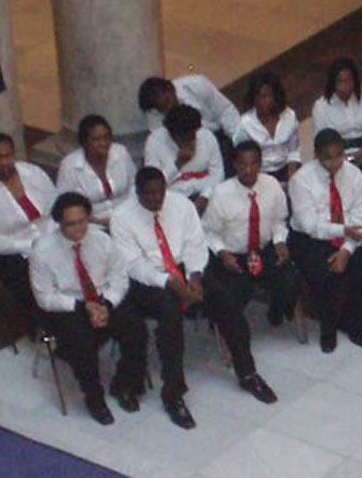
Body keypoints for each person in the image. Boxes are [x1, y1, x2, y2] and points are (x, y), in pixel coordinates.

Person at [111, 168, 278, 430]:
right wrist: (172, 283)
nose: (156, 198)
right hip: (150, 279)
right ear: (138, 192)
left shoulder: (181, 205)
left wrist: (195, 277)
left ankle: (247, 372)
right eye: (149, 194)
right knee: (170, 320)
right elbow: (134, 265)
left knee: (227, 303)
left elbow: (195, 244)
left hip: (187, 271)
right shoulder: (122, 217)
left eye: (160, 191)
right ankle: (173, 394)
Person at [30, 193, 147, 426]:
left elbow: (119, 277)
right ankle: (94, 397)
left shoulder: (102, 240)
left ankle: (125, 384)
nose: (79, 229)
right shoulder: (42, 252)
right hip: (67, 306)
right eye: (71, 224)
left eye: (83, 221)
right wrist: (82, 307)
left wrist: (106, 304)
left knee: (136, 329)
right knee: (82, 344)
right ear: (59, 224)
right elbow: (45, 297)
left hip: (103, 298)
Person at [288, 129, 362, 353]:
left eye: (339, 156)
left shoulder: (354, 174)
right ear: (316, 154)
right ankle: (328, 327)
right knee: (323, 274)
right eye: (328, 157)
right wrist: (343, 229)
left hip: (349, 235)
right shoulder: (300, 181)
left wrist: (346, 249)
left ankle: (353, 323)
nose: (335, 163)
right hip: (312, 238)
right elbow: (310, 225)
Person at [203, 141, 298, 328]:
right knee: (234, 293)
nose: (248, 170)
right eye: (242, 164)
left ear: (260, 164)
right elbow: (208, 232)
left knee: (290, 282)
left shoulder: (271, 185)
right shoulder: (221, 193)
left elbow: (280, 219)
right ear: (234, 165)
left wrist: (280, 242)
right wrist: (222, 254)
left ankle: (276, 311)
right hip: (233, 255)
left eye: (253, 164)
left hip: (263, 249)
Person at [0, 133, 56, 335]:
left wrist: (49, 234)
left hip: (43, 235)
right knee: (27, 276)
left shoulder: (32, 173)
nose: (5, 162)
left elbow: (55, 203)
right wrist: (25, 247)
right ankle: (39, 327)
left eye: (8, 156)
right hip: (2, 250)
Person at [137, 74, 239, 176]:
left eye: (167, 101)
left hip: (218, 136)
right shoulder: (154, 115)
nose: (168, 108)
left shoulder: (197, 84)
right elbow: (163, 140)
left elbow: (225, 111)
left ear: (171, 89)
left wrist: (237, 142)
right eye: (162, 109)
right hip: (183, 145)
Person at [144, 104, 223, 217]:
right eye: (186, 138)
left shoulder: (206, 136)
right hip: (173, 197)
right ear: (173, 134)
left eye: (193, 135)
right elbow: (153, 182)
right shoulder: (154, 142)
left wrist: (205, 196)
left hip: (206, 192)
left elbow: (218, 172)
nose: (192, 141)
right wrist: (177, 164)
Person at [56, 115, 136, 227]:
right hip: (91, 225)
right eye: (96, 139)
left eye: (106, 137)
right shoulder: (69, 166)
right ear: (84, 142)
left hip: (128, 217)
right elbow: (65, 205)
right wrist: (98, 222)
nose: (103, 143)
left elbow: (134, 185)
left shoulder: (121, 153)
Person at [311, 57, 362, 169]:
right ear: (333, 82)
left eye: (348, 80)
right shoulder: (321, 107)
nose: (344, 85)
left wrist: (356, 158)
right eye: (340, 81)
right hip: (336, 162)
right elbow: (321, 145)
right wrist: (342, 161)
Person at [233, 72, 301, 182]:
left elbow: (294, 150)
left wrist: (292, 174)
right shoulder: (245, 124)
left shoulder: (289, 116)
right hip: (259, 173)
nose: (263, 101)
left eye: (267, 96)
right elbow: (242, 156)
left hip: (286, 167)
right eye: (259, 97)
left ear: (276, 96)